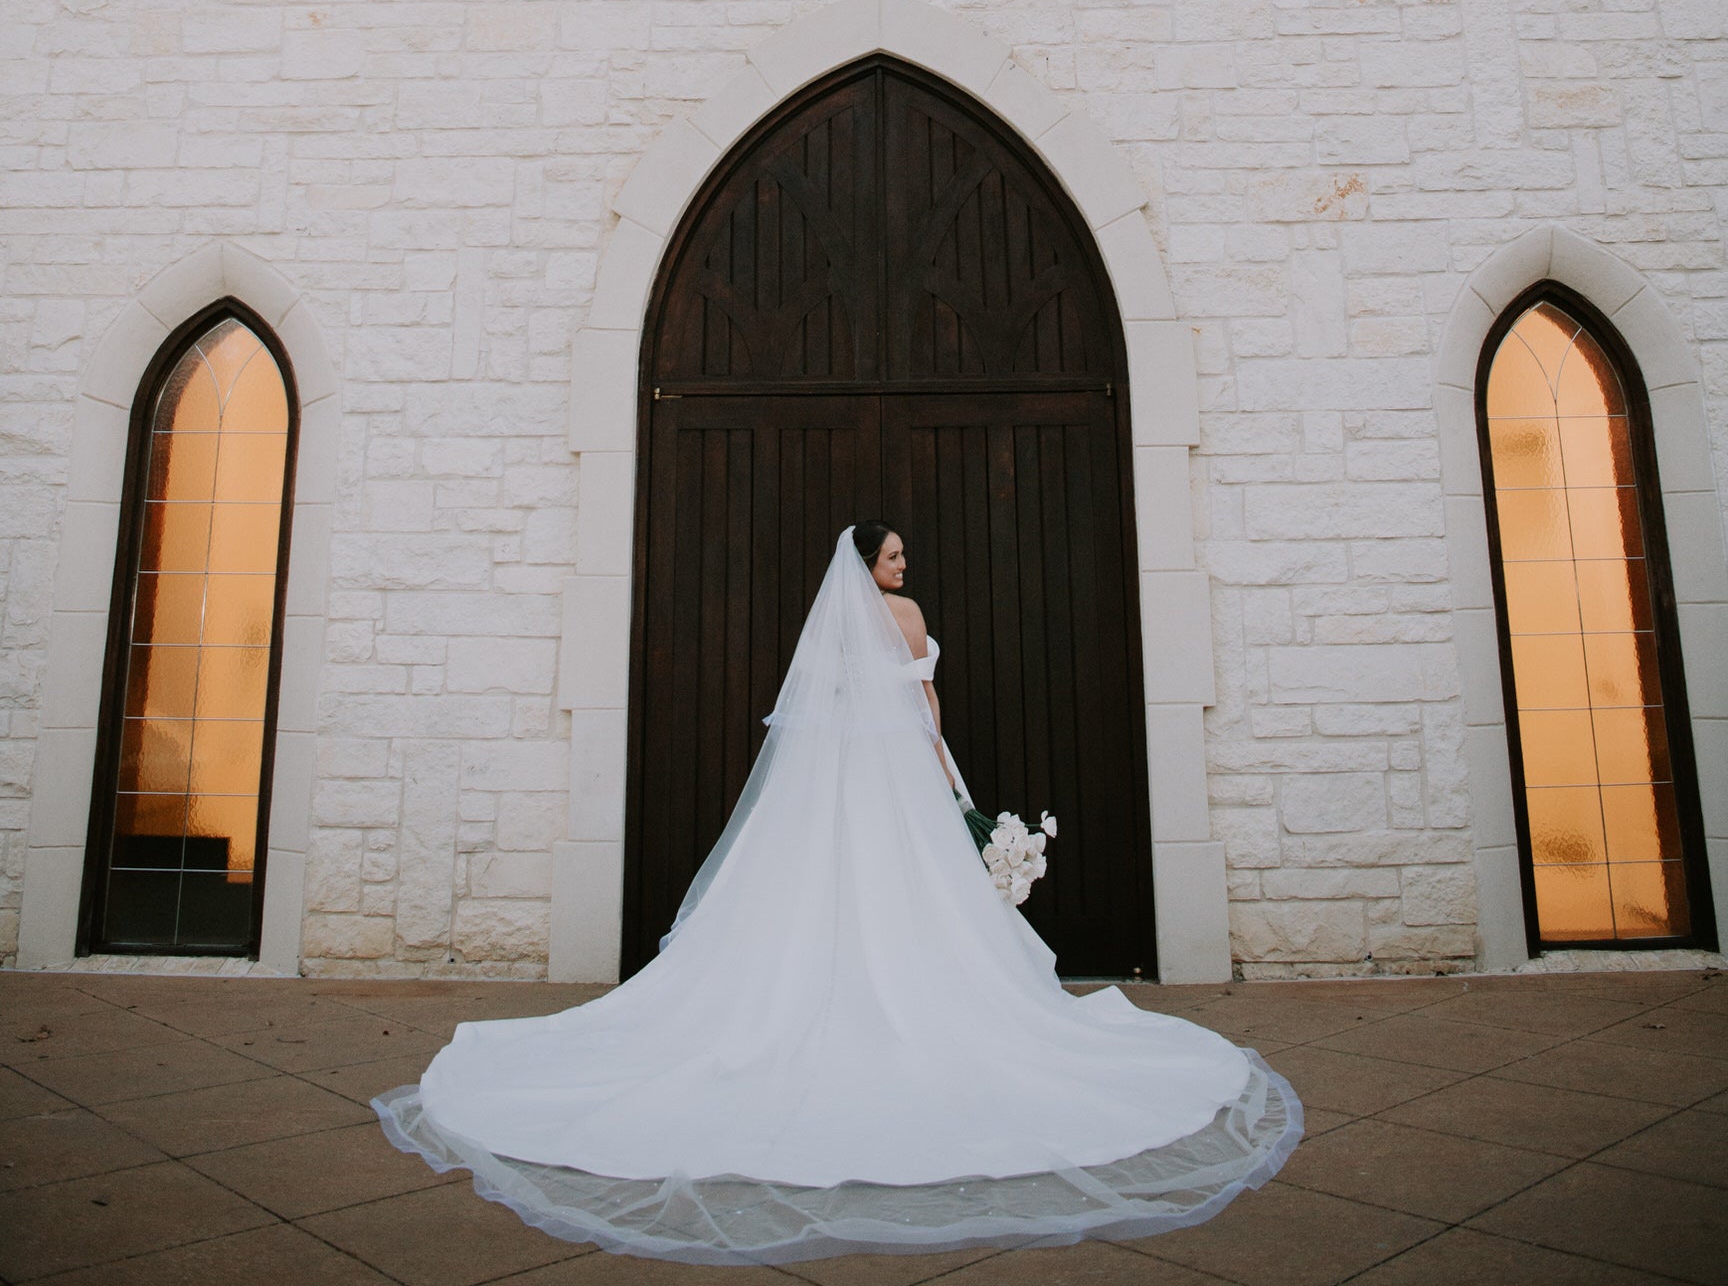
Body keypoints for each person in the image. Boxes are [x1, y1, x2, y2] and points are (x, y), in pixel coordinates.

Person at [375, 523, 1300, 1262]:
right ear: (871, 568)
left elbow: (822, 710)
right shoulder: (906, 617)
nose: (905, 564)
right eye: (894, 555)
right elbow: (925, 706)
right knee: (912, 895)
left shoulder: (840, 631)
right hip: (901, 773)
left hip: (845, 774)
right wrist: (944, 772)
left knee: (816, 887)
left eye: (902, 557)